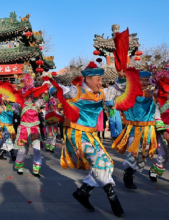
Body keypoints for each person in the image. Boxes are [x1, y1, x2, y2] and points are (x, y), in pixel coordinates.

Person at [47, 62, 126, 217]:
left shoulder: (102, 93)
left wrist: (121, 77)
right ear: (88, 79)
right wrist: (54, 89)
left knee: (107, 164)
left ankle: (83, 192)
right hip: (76, 136)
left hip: (91, 136)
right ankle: (112, 196)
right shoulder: (76, 91)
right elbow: (61, 90)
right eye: (98, 79)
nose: (100, 82)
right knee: (98, 161)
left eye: (101, 79)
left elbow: (116, 90)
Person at [112, 71, 163, 189]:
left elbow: (160, 103)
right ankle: (128, 175)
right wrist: (120, 78)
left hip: (148, 129)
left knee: (143, 154)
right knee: (134, 152)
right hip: (133, 128)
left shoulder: (153, 94)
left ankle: (131, 171)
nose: (144, 82)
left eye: (146, 80)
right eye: (142, 80)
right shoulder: (130, 93)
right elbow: (119, 89)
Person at [14, 89, 44, 176]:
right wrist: (8, 100)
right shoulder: (21, 105)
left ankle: (36, 170)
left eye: (31, 95)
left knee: (37, 150)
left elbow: (45, 99)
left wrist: (45, 91)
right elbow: (12, 106)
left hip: (34, 130)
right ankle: (20, 166)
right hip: (24, 130)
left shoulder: (37, 104)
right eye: (28, 96)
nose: (29, 97)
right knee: (22, 150)